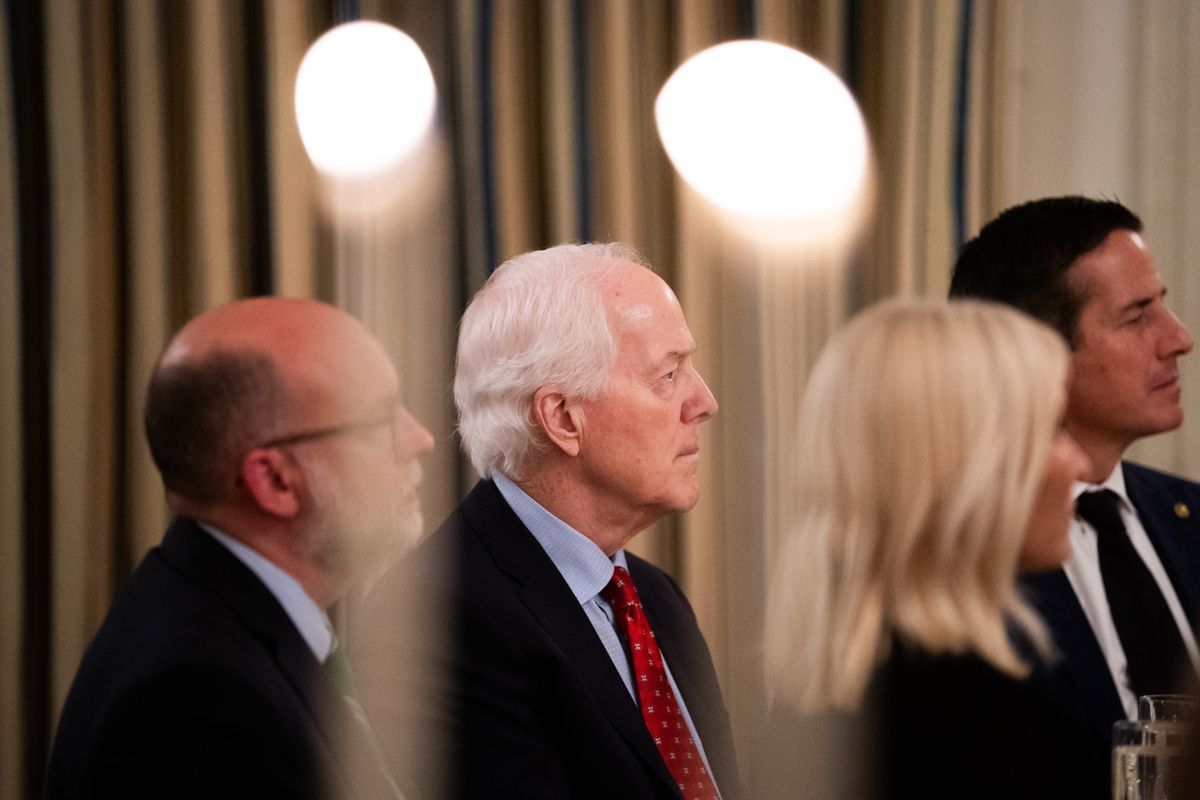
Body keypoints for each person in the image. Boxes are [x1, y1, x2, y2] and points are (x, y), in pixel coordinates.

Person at [374, 243, 739, 799]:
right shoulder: (436, 616)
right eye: (668, 374)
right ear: (563, 418)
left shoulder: (655, 596)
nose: (704, 401)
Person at [44, 297, 434, 800]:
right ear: (274, 481)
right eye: (378, 421)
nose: (420, 438)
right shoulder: (196, 702)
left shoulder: (225, 612)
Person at [762, 299, 1104, 799]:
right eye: (1054, 430)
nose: (1081, 465)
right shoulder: (1005, 735)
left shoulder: (809, 714)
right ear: (974, 470)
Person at [949, 196, 1200, 765]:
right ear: (1033, 353)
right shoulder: (950, 558)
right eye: (1138, 317)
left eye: (1163, 306)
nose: (1179, 338)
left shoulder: (1192, 518)